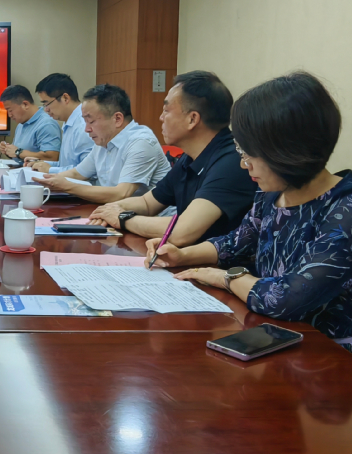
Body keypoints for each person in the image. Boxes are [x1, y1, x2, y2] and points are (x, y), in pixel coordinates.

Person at [146, 72, 352, 352]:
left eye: (250, 153)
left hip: (327, 354)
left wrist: (225, 278)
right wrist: (182, 255)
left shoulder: (343, 208)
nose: (244, 164)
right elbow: (236, 242)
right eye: (241, 150)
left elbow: (287, 298)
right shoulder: (272, 192)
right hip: (271, 338)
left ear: (288, 149)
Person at [88, 71, 257, 244]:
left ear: (192, 119)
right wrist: (111, 210)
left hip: (218, 260)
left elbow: (183, 231)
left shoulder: (232, 162)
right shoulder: (189, 158)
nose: (161, 118)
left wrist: (122, 218)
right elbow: (148, 203)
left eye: (166, 110)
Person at [37, 84, 170, 204]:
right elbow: (78, 174)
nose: (86, 129)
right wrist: (42, 180)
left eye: (91, 121)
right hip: (115, 212)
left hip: (151, 219)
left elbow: (121, 193)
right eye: (85, 122)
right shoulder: (103, 141)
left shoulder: (141, 142)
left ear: (117, 119)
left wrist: (67, 186)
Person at [28, 73, 94, 173]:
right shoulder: (68, 122)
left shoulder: (83, 125)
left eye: (47, 103)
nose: (46, 109)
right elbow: (66, 165)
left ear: (65, 98)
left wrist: (50, 170)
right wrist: (42, 164)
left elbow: (88, 172)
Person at [0, 84, 61, 165]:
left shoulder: (47, 124)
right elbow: (19, 156)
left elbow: (52, 158)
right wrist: (8, 150)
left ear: (25, 105)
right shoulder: (21, 124)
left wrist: (18, 152)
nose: (9, 115)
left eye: (10, 110)